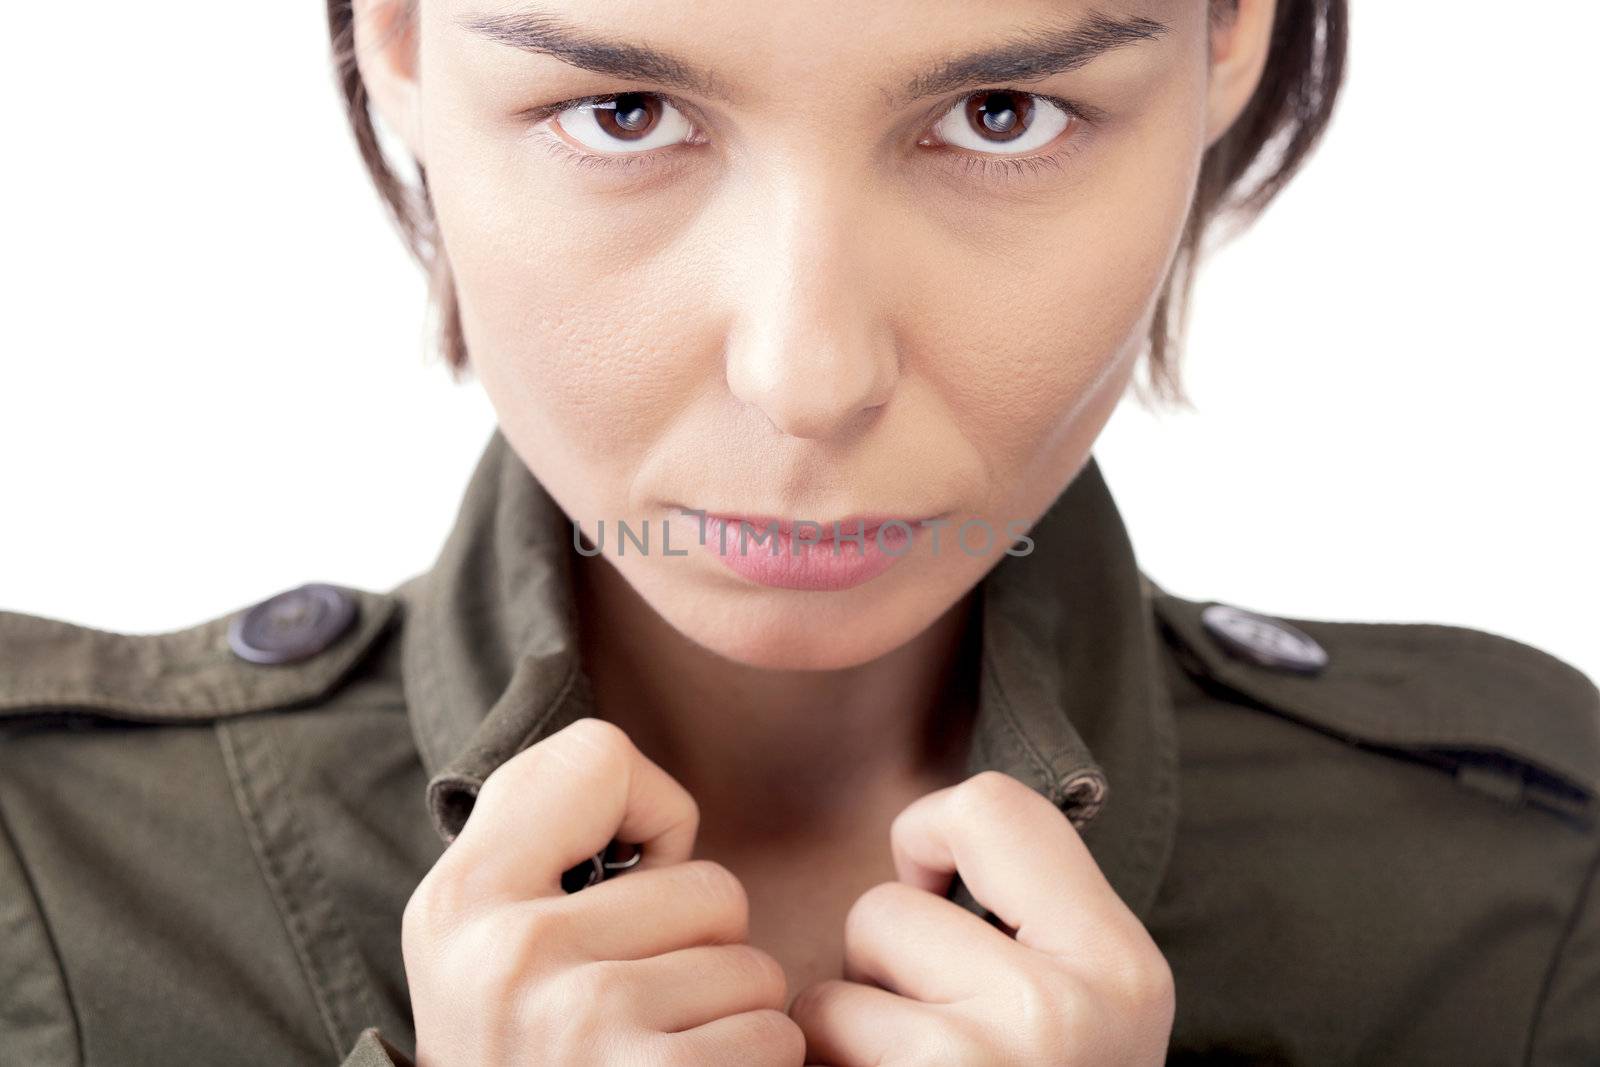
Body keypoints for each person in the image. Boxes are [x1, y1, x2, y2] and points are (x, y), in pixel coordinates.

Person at [2, 0, 1596, 1064]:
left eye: (1000, 112)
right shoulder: (49, 874)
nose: (810, 374)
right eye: (624, 112)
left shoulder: (1519, 900)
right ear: (399, 38)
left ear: (1228, 36)